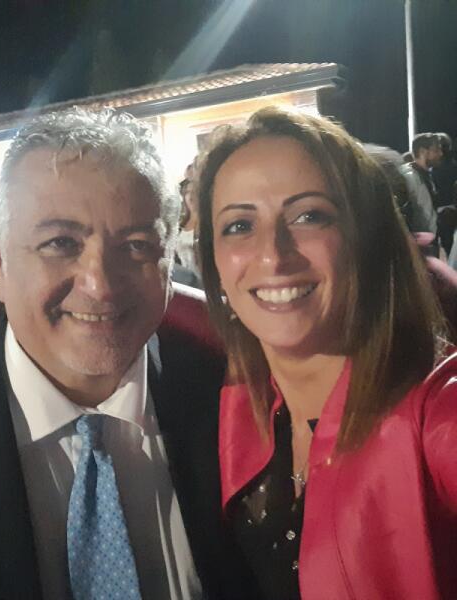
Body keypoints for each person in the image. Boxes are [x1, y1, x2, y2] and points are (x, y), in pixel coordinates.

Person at [0, 108, 250, 600]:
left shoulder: (235, 396)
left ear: (169, 256)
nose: (100, 285)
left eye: (135, 245)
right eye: (60, 243)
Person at [195, 107, 456, 599]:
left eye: (310, 216)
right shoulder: (242, 407)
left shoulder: (434, 414)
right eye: (239, 225)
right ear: (213, 262)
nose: (273, 255)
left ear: (366, 238)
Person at [400, 133, 442, 247]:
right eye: (436, 150)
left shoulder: (424, 175)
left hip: (426, 242)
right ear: (423, 151)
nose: (441, 153)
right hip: (420, 244)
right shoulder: (410, 177)